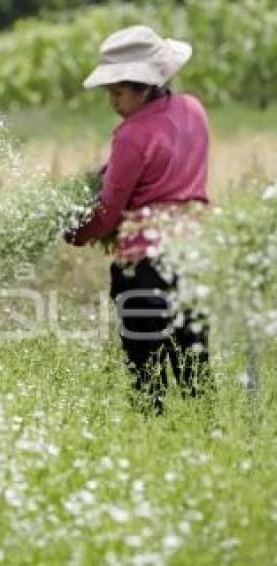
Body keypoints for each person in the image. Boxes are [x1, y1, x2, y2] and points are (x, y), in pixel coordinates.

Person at [67, 25, 211, 413]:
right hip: (193, 257)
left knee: (146, 376)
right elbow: (168, 163)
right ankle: (207, 440)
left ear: (145, 87)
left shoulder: (132, 134)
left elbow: (110, 208)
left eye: (118, 92)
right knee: (194, 367)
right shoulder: (194, 110)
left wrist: (77, 232)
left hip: (145, 267)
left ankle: (154, 448)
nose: (112, 101)